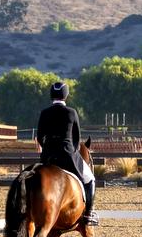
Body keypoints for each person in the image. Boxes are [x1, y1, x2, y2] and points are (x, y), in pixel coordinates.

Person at [36, 82, 97, 225]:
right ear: (66, 95)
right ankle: (88, 213)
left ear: (51, 95)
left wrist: (47, 148)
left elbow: (40, 137)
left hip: (48, 156)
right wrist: (73, 150)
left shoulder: (44, 113)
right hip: (67, 155)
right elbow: (76, 138)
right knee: (90, 179)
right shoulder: (71, 112)